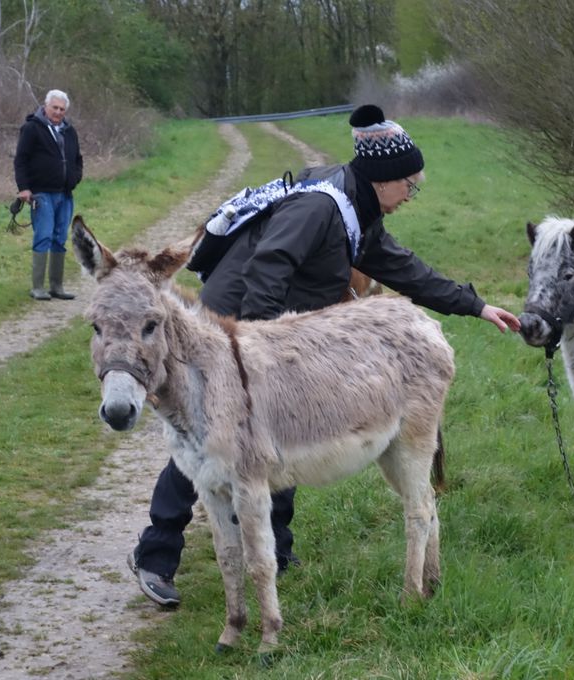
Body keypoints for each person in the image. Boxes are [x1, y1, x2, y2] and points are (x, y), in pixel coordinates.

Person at [126, 104, 521, 607]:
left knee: (285, 431)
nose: (411, 195)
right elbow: (267, 270)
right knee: (207, 443)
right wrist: (259, 357)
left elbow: (405, 270)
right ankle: (156, 555)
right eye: (409, 185)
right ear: (383, 179)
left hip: (274, 337)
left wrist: (477, 305)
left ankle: (278, 552)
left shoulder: (358, 211)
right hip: (230, 331)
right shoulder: (320, 208)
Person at [14, 89, 83, 301]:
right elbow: (20, 160)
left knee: (60, 238)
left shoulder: (69, 131)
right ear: (46, 106)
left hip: (65, 194)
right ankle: (37, 287)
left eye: (62, 109)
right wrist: (24, 188)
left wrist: (75, 176)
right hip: (41, 194)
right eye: (55, 107)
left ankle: (57, 286)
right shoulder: (32, 128)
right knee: (43, 236)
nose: (58, 112)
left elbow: (78, 158)